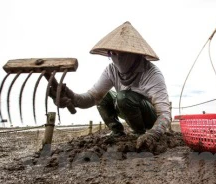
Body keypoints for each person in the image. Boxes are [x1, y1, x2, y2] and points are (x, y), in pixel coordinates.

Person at [50, 21, 171, 149]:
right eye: (112, 53)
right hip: (126, 108)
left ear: (135, 54)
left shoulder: (151, 73)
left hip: (149, 118)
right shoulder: (111, 70)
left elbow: (164, 114)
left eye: (122, 53)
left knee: (124, 97)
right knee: (105, 96)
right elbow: (92, 97)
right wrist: (73, 98)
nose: (116, 57)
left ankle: (140, 133)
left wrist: (154, 134)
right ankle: (117, 131)